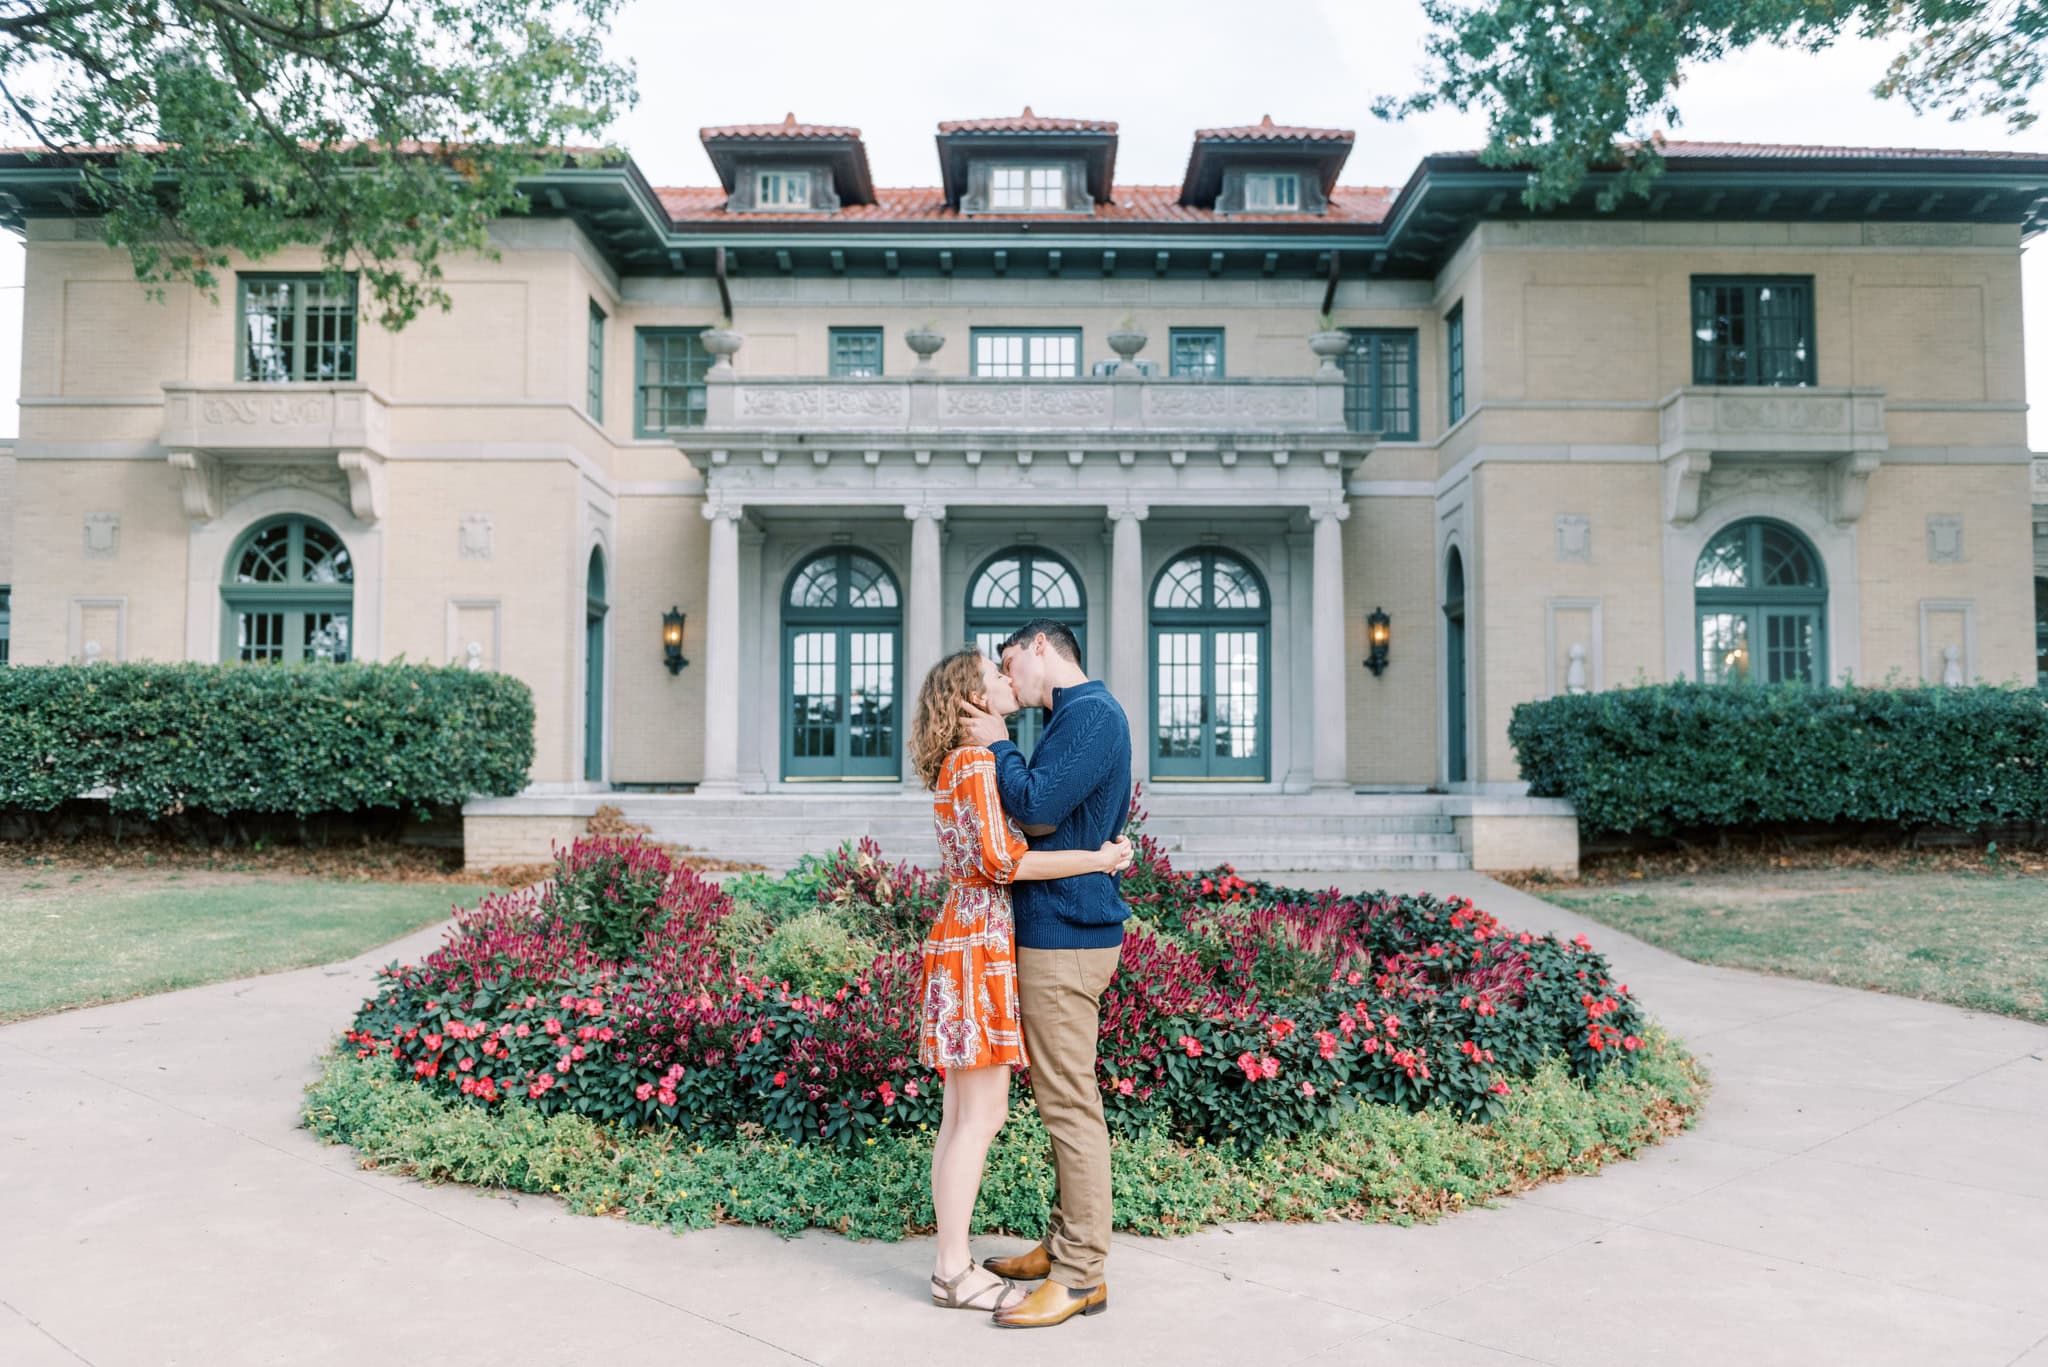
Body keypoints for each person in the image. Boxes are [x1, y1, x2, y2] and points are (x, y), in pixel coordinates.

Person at [908, 646, 1134, 1316]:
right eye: (993, 676)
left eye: (1007, 667)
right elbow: (1008, 857)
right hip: (980, 942)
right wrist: (1098, 857)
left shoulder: (962, 762)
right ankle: (954, 1268)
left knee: (963, 1116)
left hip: (967, 934)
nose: (1005, 680)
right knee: (978, 1116)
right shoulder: (978, 761)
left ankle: (970, 1261)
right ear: (973, 700)